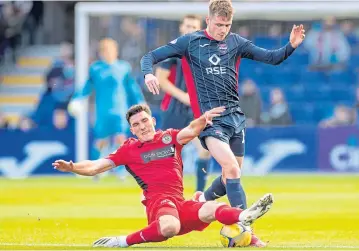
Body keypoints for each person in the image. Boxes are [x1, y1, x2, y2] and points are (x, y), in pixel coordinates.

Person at [140, 0, 305, 246]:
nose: (223, 30)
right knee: (233, 169)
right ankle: (247, 233)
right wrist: (148, 73)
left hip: (236, 119)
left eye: (227, 25)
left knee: (230, 179)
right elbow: (150, 56)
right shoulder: (191, 42)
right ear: (208, 20)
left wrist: (290, 46)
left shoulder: (236, 42)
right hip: (209, 121)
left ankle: (201, 201)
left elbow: (272, 58)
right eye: (219, 25)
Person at [53, 104, 274, 248]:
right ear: (131, 130)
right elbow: (95, 166)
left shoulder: (169, 138)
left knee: (211, 208)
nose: (142, 127)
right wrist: (73, 167)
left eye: (144, 121)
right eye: (136, 124)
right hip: (159, 203)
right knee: (170, 227)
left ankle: (243, 216)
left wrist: (203, 119)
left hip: (179, 203)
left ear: (153, 121)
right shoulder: (128, 150)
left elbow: (190, 130)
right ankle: (121, 242)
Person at [68, 38, 145, 181]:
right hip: (102, 111)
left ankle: (121, 171)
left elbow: (132, 88)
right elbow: (86, 87)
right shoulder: (96, 68)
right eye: (105, 50)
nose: (108, 53)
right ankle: (94, 171)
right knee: (100, 141)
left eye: (111, 50)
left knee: (121, 140)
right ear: (101, 53)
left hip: (121, 110)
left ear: (116, 51)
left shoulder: (124, 67)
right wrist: (77, 98)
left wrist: (140, 102)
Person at [156, 14, 211, 192]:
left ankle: (199, 195)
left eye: (194, 27)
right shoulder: (173, 49)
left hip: (196, 110)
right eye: (187, 26)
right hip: (175, 109)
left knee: (205, 150)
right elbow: (161, 79)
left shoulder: (205, 51)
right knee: (165, 155)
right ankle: (157, 191)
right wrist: (183, 96)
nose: (190, 30)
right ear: (182, 28)